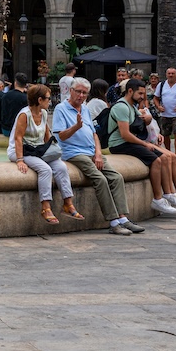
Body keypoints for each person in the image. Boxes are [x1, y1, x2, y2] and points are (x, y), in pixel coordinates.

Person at [53, 77, 144, 236]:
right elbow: (61, 136)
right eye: (78, 92)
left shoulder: (85, 109)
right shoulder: (61, 109)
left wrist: (99, 153)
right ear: (71, 91)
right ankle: (113, 221)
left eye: (84, 93)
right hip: (74, 153)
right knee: (100, 179)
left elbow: (94, 134)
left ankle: (123, 218)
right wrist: (76, 127)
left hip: (91, 152)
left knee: (116, 177)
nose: (81, 96)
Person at [7, 84, 82, 225]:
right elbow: (18, 138)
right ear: (39, 100)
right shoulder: (24, 115)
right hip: (21, 151)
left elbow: (47, 136)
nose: (50, 101)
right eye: (48, 98)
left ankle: (68, 204)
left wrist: (55, 154)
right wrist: (20, 160)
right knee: (45, 170)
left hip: (38, 150)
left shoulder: (44, 113)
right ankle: (46, 208)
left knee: (61, 167)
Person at [105, 79, 176, 216]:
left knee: (164, 157)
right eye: (140, 93)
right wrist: (145, 144)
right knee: (155, 160)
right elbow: (125, 134)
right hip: (119, 144)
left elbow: (145, 120)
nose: (142, 97)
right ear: (130, 91)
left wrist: (150, 126)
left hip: (128, 142)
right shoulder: (121, 107)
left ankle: (169, 194)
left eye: (143, 93)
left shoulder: (132, 106)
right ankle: (157, 199)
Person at [152, 67, 176, 155]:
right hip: (165, 114)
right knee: (165, 135)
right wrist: (158, 106)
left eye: (173, 73)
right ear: (166, 75)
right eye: (169, 73)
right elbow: (156, 98)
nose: (171, 75)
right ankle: (168, 153)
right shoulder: (161, 85)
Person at [0, 73, 29, 138]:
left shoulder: (5, 96)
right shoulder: (26, 98)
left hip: (6, 130)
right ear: (25, 85)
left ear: (15, 83)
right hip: (20, 129)